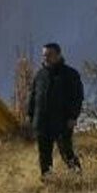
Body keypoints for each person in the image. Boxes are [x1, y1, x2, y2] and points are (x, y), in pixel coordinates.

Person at [27, 42, 83, 179]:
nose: (45, 58)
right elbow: (33, 96)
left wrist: (73, 117)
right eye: (44, 55)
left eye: (49, 55)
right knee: (44, 154)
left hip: (62, 121)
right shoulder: (40, 75)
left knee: (66, 152)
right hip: (42, 121)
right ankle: (48, 180)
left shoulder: (70, 74)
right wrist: (30, 115)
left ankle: (77, 176)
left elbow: (78, 97)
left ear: (58, 55)